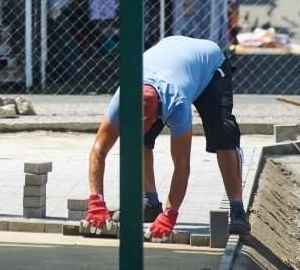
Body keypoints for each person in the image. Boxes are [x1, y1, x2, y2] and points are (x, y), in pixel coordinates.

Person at [83, 36, 251, 241]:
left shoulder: (177, 104)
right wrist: (96, 201)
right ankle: (150, 203)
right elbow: (98, 148)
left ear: (156, 114)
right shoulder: (124, 96)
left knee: (223, 134)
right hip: (172, 57)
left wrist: (171, 215)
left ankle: (237, 210)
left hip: (209, 65)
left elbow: (182, 165)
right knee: (140, 139)